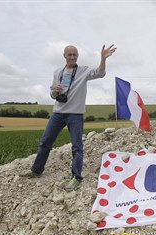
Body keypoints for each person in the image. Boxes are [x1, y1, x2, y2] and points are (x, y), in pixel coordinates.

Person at [23, 44, 116, 191]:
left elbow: (100, 73)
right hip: (58, 112)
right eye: (69, 55)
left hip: (75, 114)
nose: (72, 57)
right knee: (45, 142)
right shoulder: (58, 72)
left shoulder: (83, 71)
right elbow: (52, 93)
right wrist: (55, 92)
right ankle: (36, 170)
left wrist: (103, 58)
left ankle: (76, 177)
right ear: (64, 56)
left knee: (77, 147)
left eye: (74, 55)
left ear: (77, 56)